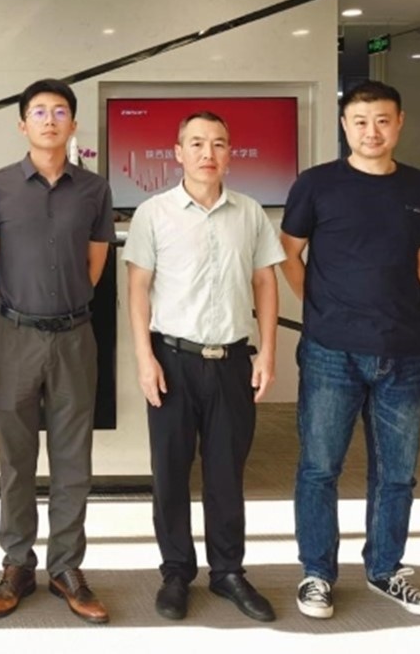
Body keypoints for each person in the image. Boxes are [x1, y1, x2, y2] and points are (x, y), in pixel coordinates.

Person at [281, 80, 420, 620]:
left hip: (404, 352)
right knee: (319, 467)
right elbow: (289, 253)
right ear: (344, 126)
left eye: (381, 120)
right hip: (331, 350)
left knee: (397, 472)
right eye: (360, 121)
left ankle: (384, 570)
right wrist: (322, 307)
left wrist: (388, 304)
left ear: (399, 123)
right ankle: (316, 574)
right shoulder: (316, 183)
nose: (371, 131)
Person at [124, 110, 283, 624]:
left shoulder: (250, 213)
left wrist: (269, 351)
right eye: (196, 143)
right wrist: (144, 358)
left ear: (230, 153)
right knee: (170, 472)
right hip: (172, 359)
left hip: (233, 361)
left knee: (226, 473)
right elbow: (138, 287)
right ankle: (176, 572)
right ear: (178, 153)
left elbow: (265, 282)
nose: (207, 153)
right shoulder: (153, 212)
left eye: (217, 143)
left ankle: (228, 571)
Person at [0, 79, 115, 624]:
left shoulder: (94, 189)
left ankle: (66, 567)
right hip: (14, 335)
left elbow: (95, 265)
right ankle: (16, 564)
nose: (49, 120)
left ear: (73, 124)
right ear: (22, 124)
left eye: (59, 112)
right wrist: (26, 302)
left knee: (73, 458)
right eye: (39, 112)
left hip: (75, 335)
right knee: (16, 458)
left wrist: (62, 302)